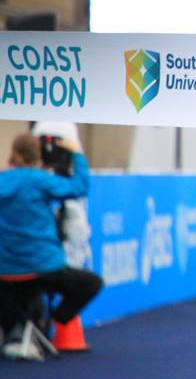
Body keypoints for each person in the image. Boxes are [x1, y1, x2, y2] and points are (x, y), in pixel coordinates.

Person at [0, 133, 103, 357]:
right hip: (43, 266)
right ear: (37, 156)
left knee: (17, 295)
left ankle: (15, 333)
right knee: (91, 283)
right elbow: (79, 187)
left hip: (6, 270)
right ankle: (59, 317)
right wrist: (76, 153)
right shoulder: (39, 180)